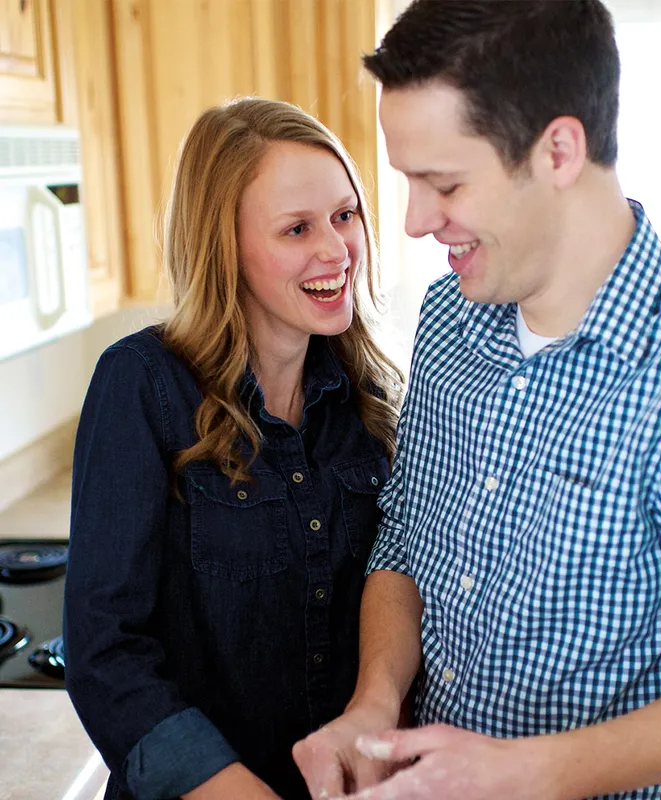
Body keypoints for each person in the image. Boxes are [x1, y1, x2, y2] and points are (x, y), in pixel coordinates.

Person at [292, 2, 661, 799]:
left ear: (559, 150)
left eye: (445, 183)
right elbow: (406, 539)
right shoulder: (451, 316)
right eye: (407, 183)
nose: (418, 222)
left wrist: (520, 774)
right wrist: (373, 707)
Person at [63, 97, 403, 800]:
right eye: (297, 228)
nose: (337, 250)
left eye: (345, 215)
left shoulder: (368, 400)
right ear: (226, 245)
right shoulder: (143, 387)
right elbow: (106, 656)